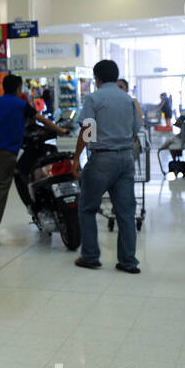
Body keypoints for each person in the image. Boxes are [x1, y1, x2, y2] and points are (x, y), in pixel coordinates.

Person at [0, 74, 67, 245]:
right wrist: (60, 130)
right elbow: (42, 120)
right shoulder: (22, 105)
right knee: (0, 191)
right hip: (8, 153)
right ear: (17, 89)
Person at [72, 59, 141, 272]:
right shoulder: (127, 99)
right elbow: (136, 128)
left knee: (87, 208)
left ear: (97, 78)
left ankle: (90, 256)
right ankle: (128, 261)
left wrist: (76, 158)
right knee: (126, 212)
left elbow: (88, 131)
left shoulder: (95, 98)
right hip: (126, 159)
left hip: (102, 159)